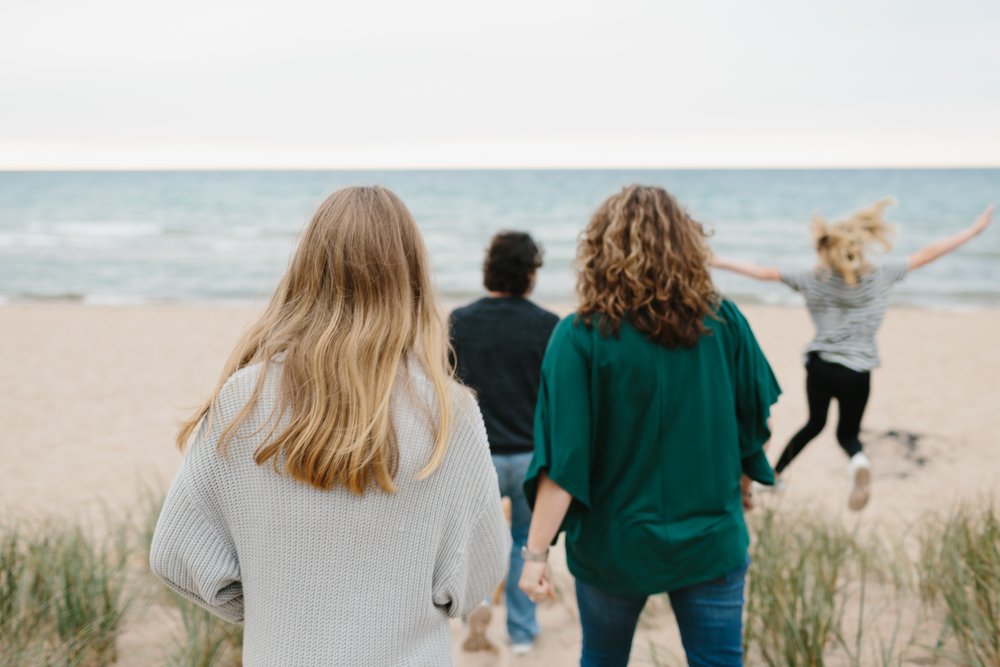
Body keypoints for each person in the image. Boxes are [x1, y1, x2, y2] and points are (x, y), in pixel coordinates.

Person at [149, 186, 510, 666]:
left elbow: (178, 554)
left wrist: (273, 610)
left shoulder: (245, 397)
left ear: (307, 271)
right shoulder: (449, 413)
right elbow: (477, 575)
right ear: (412, 278)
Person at [518, 185, 781, 667]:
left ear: (599, 249)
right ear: (688, 245)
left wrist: (535, 554)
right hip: (711, 537)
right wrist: (743, 485)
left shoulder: (579, 336)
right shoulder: (725, 322)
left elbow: (564, 462)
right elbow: (752, 421)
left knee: (602, 658)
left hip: (614, 544)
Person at [712, 200, 994, 511]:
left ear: (826, 249)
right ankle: (858, 460)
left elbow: (763, 272)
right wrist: (973, 231)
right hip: (858, 370)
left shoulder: (812, 278)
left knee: (814, 424)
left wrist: (717, 260)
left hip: (820, 367)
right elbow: (927, 254)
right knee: (848, 433)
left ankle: (776, 475)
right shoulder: (881, 274)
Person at [449, 231, 559, 655]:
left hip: (479, 455)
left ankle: (475, 603)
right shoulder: (548, 325)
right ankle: (522, 632)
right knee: (526, 543)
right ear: (529, 274)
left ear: (488, 268)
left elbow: (449, 391)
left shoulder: (460, 320)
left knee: (475, 538)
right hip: (531, 455)